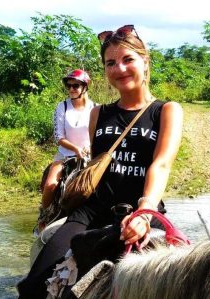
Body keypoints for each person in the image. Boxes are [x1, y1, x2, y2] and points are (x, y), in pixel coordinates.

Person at [17, 25, 183, 298]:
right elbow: (98, 165)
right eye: (110, 63)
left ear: (145, 61)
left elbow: (161, 164)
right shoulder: (98, 113)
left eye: (128, 59)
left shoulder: (165, 110)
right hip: (91, 211)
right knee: (34, 285)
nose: (119, 69)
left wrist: (145, 210)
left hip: (142, 210)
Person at [38, 70, 94, 227]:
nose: (71, 89)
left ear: (85, 87)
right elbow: (59, 137)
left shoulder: (96, 108)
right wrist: (75, 148)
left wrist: (88, 147)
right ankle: (44, 214)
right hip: (65, 154)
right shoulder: (62, 107)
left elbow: (97, 134)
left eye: (75, 86)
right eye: (68, 86)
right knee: (51, 185)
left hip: (89, 155)